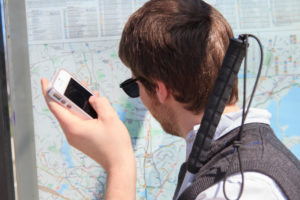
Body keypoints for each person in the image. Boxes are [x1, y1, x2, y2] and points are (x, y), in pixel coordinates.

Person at [41, 0, 300, 199]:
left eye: (135, 85)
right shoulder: (228, 154)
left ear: (161, 90)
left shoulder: (234, 190)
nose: (139, 97)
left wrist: (119, 164)